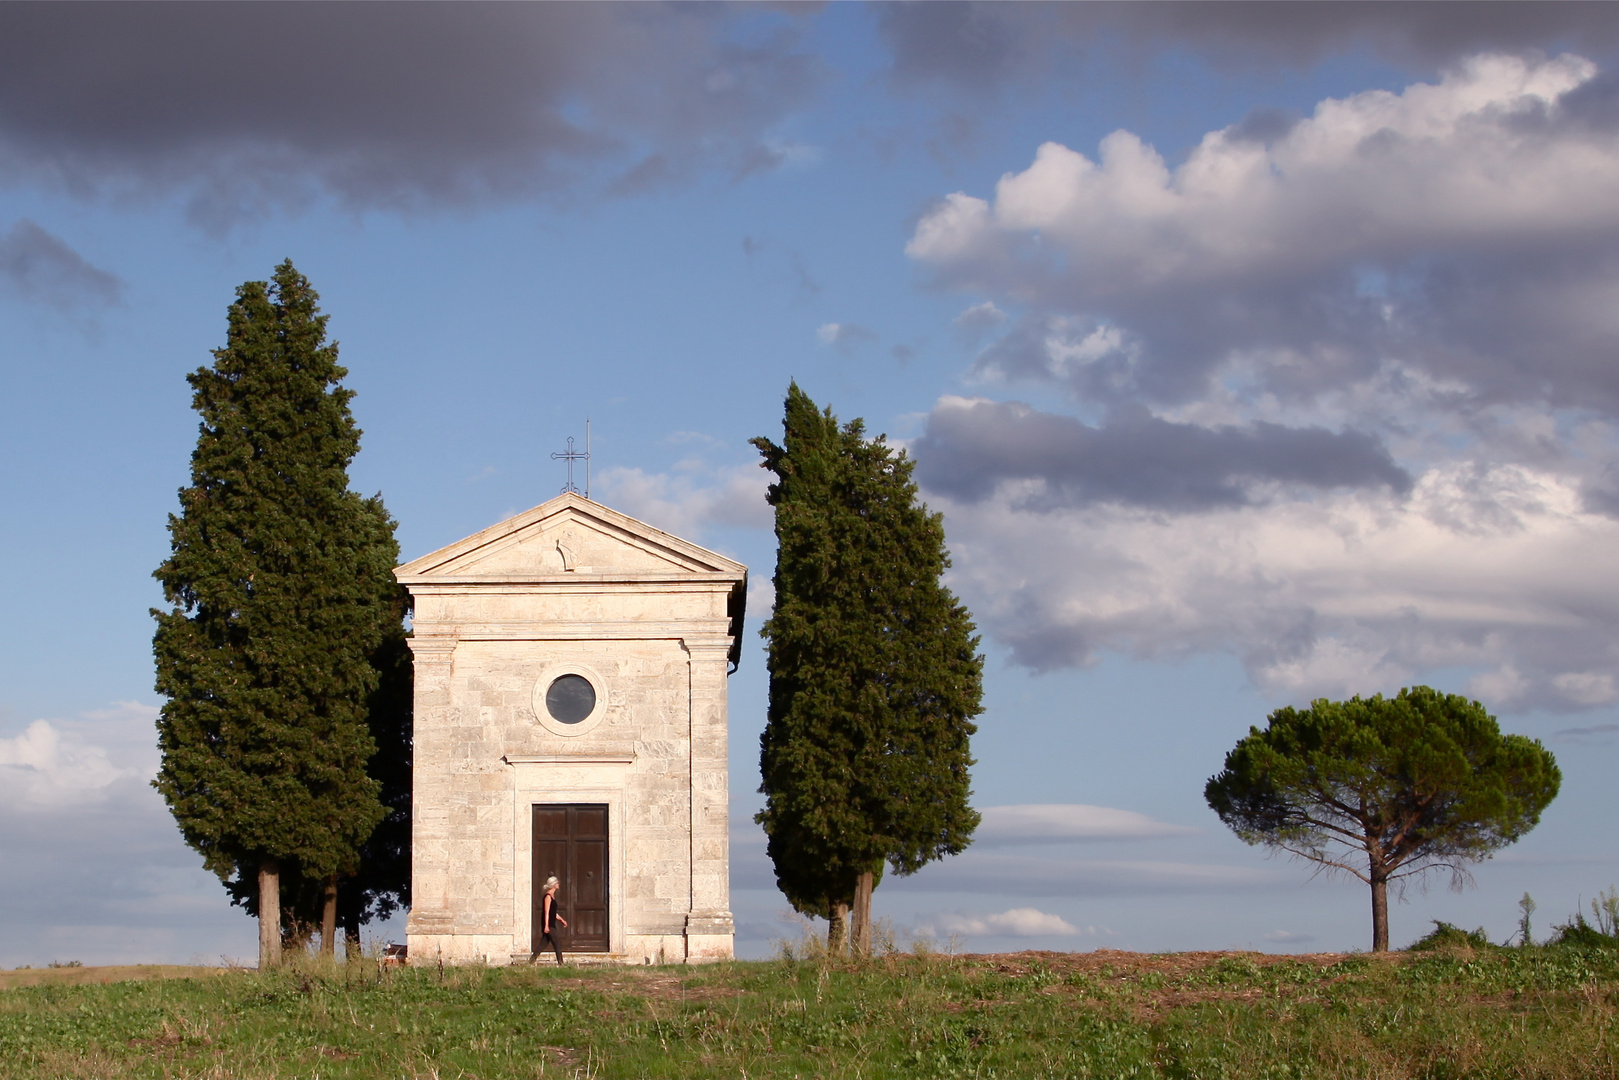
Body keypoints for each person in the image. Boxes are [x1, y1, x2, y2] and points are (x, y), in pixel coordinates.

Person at [538, 875, 568, 965]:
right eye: (557, 883)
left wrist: (562, 920)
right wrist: (546, 926)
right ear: (554, 884)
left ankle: (530, 962)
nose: (559, 884)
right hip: (549, 925)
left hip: (551, 923)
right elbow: (546, 912)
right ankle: (561, 963)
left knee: (542, 945)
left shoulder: (553, 896)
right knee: (557, 943)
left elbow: (553, 913)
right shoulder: (548, 897)